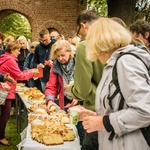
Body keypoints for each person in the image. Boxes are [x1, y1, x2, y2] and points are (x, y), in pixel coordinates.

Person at [75, 17, 150, 150]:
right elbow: (120, 106)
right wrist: (95, 116)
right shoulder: (115, 62)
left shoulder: (125, 62)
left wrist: (103, 122)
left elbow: (145, 110)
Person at [66, 10, 104, 150]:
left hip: (95, 110)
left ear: (84, 25)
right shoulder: (112, 43)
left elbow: (82, 91)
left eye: (78, 30)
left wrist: (71, 87)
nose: (78, 34)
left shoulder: (84, 45)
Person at [0, 41, 39, 146]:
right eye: (18, 50)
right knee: (5, 114)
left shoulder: (5, 58)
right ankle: (1, 137)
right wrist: (32, 72)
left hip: (4, 89)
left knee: (4, 113)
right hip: (5, 91)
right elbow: (19, 75)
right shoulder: (10, 61)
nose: (19, 52)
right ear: (12, 50)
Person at [45, 39, 77, 110]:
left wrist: (79, 97)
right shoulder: (56, 65)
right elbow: (51, 85)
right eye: (58, 56)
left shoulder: (78, 62)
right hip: (65, 99)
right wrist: (50, 100)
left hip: (79, 101)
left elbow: (84, 83)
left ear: (69, 52)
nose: (60, 58)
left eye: (63, 55)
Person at [33, 28, 56, 93]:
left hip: (54, 76)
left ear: (49, 36)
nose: (45, 42)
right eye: (43, 40)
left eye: (46, 40)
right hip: (43, 77)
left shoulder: (55, 44)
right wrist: (37, 65)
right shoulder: (38, 47)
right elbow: (34, 61)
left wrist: (54, 63)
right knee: (45, 95)